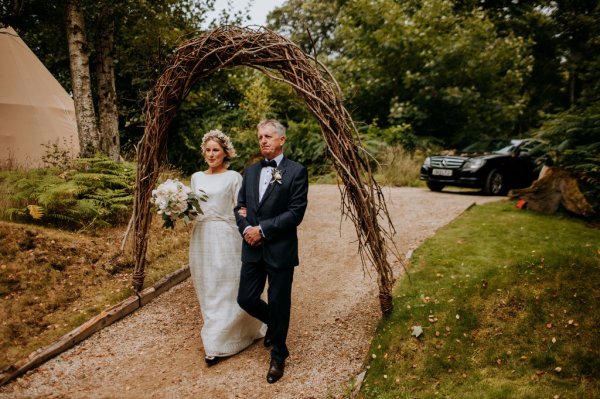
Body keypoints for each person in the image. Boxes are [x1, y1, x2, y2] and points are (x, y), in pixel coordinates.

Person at [234, 119, 309, 384]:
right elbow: (240, 207)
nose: (263, 140)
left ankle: (278, 354)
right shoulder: (251, 172)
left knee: (279, 302)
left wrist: (262, 230)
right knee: (245, 298)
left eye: (268, 136)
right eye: (260, 137)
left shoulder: (296, 171)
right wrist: (246, 230)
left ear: (281, 140)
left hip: (280, 249)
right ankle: (274, 325)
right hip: (252, 249)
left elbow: (295, 213)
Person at [189, 129, 266, 366]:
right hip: (201, 237)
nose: (211, 154)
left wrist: (251, 231)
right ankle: (215, 339)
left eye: (216, 150)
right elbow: (192, 209)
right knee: (208, 288)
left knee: (228, 287)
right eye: (208, 150)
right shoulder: (196, 177)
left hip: (226, 236)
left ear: (225, 153)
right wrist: (179, 209)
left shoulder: (233, 177)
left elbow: (241, 209)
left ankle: (224, 340)